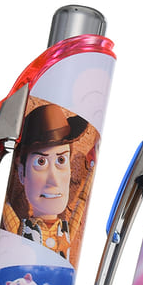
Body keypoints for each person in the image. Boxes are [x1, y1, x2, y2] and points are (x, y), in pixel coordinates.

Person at [14, 102, 88, 261]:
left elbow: (82, 201)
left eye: (61, 160)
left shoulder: (65, 231)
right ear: (21, 173)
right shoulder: (23, 228)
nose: (53, 180)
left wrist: (91, 167)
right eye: (40, 162)